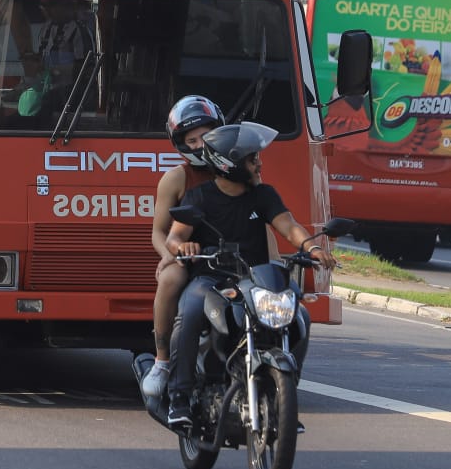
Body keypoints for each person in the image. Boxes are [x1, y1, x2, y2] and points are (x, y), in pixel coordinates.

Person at [162, 121, 333, 428]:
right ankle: (179, 398)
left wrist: (312, 247)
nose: (259, 163)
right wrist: (182, 246)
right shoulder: (199, 197)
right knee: (189, 313)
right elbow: (174, 237)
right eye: (252, 158)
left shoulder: (263, 195)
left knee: (300, 317)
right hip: (210, 280)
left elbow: (288, 226)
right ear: (230, 164)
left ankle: (284, 397)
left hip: (255, 280)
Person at [139, 95, 227, 401]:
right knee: (170, 279)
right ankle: (162, 361)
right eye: (192, 140)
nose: (201, 145)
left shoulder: (237, 170)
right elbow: (158, 232)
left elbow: (261, 219)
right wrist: (169, 256)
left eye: (206, 136)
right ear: (181, 144)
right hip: (187, 255)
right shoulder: (176, 178)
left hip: (230, 254)